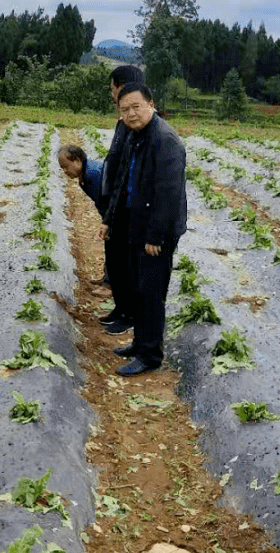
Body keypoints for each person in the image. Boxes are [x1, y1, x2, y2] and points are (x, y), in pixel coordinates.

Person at [101, 82, 187, 376]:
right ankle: (139, 343)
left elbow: (168, 193)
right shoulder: (135, 135)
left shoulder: (166, 141)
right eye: (125, 109)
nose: (131, 113)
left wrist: (155, 236)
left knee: (150, 292)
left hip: (156, 231)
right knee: (138, 287)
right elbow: (122, 177)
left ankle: (150, 355)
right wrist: (110, 218)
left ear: (151, 104)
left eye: (136, 106)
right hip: (136, 223)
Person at [96, 65, 145, 335]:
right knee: (114, 259)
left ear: (122, 86)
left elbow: (130, 169)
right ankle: (120, 308)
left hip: (128, 206)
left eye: (113, 88)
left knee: (127, 263)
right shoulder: (123, 123)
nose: (112, 94)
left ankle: (129, 314)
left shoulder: (138, 127)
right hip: (116, 204)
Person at [58, 144, 109, 285]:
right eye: (62, 168)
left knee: (115, 246)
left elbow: (106, 201)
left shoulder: (92, 175)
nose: (65, 171)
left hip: (121, 213)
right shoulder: (85, 175)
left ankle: (110, 285)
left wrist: (107, 222)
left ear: (78, 161)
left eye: (66, 166)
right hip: (113, 212)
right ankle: (107, 280)